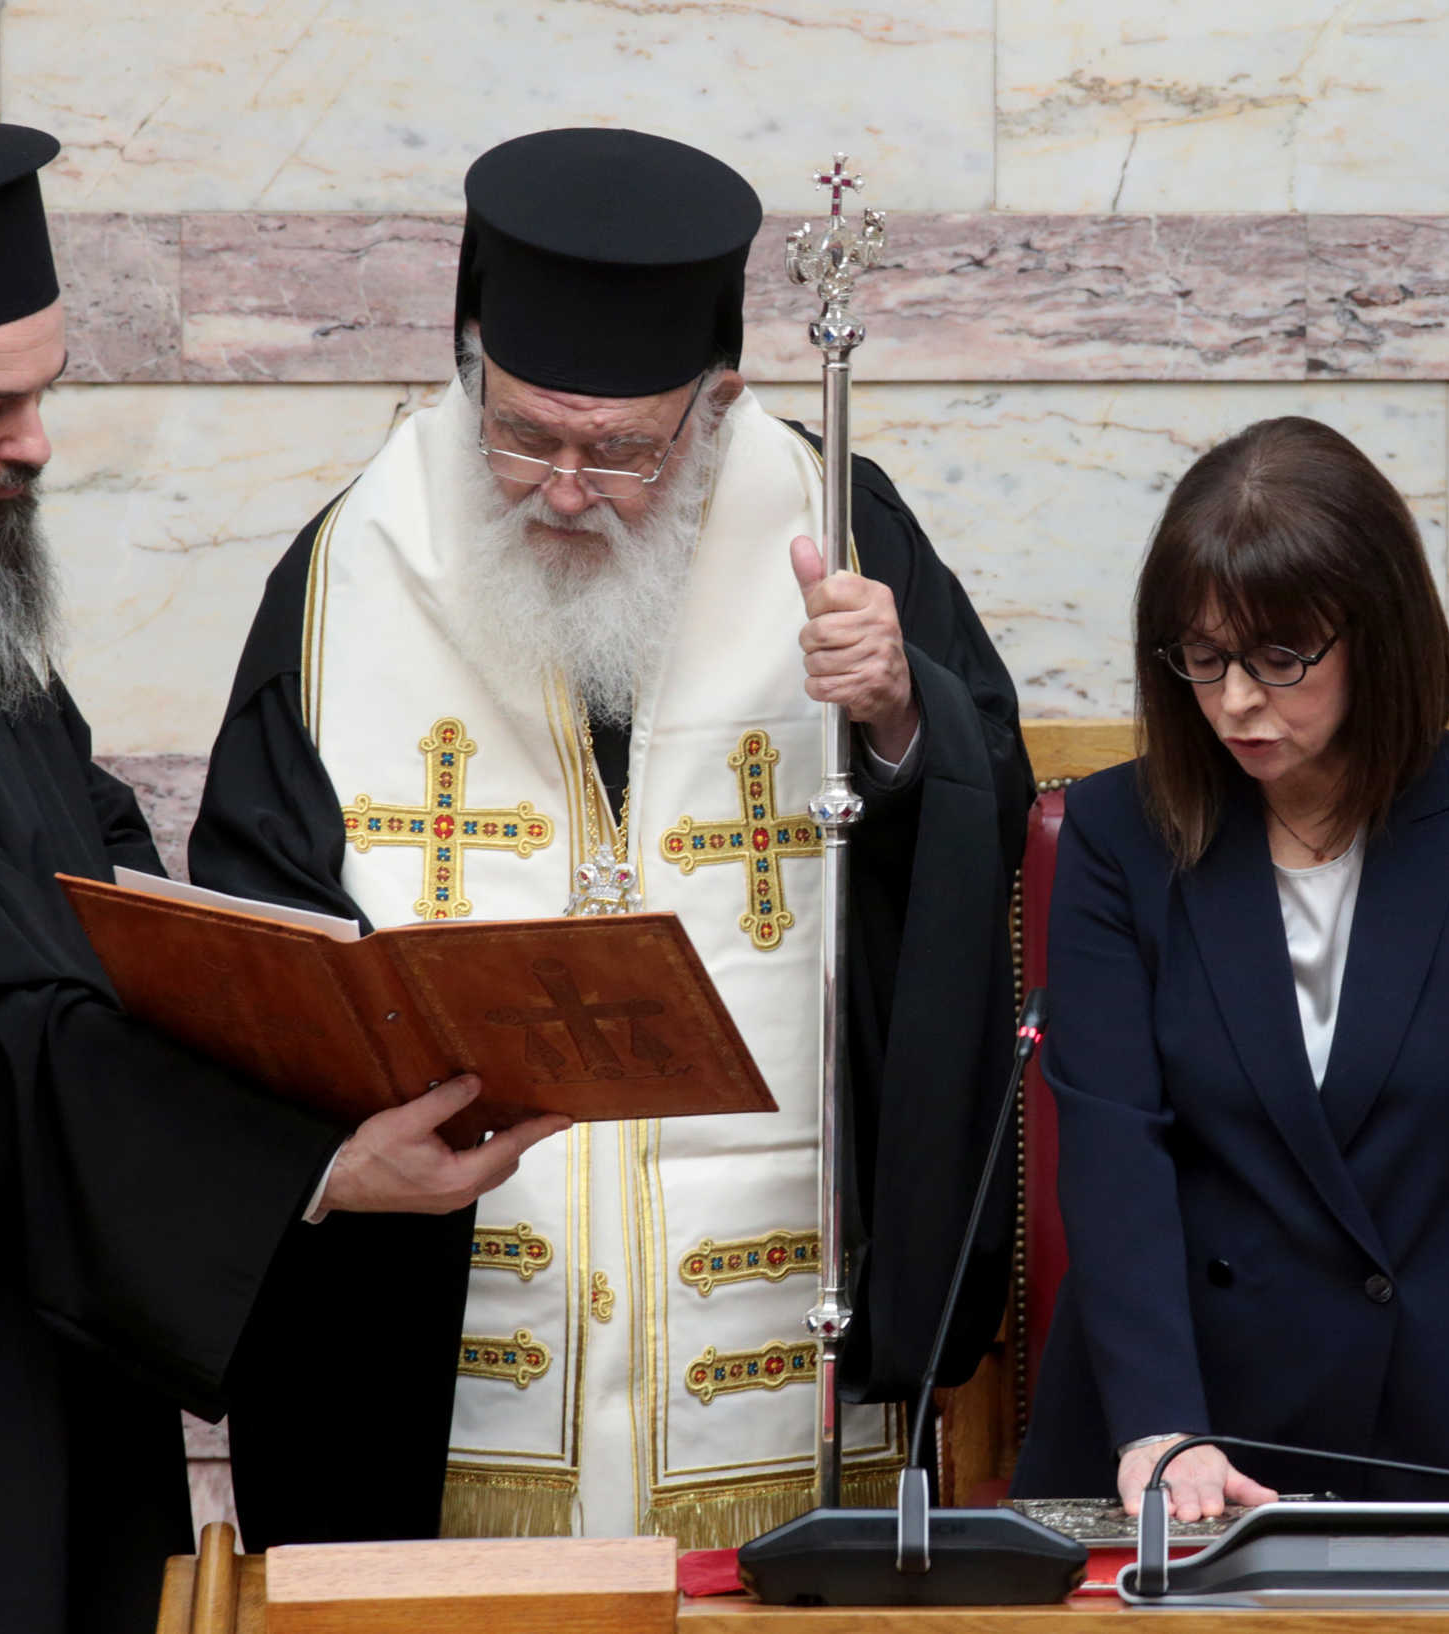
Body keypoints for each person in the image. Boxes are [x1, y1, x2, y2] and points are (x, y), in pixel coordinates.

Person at [190, 127, 1033, 1548]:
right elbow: (259, 944)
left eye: (622, 450)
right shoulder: (351, 571)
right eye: (521, 432)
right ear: (468, 368)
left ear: (716, 406)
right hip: (447, 1381)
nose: (565, 486)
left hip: (772, 1371)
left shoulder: (836, 524)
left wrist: (902, 715)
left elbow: (979, 827)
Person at [0, 121, 564, 1634]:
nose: (33, 443)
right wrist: (316, 1172)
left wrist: (302, 1009)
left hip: (45, 1362)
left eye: (44, 394)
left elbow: (98, 893)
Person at [1009, 416, 1449, 1521]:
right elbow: (1115, 1151)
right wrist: (1161, 1424)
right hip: (1186, 1417)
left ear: (1378, 631)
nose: (1238, 700)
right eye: (1201, 659)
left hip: (1447, 1417)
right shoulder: (1118, 832)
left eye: (1279, 657)